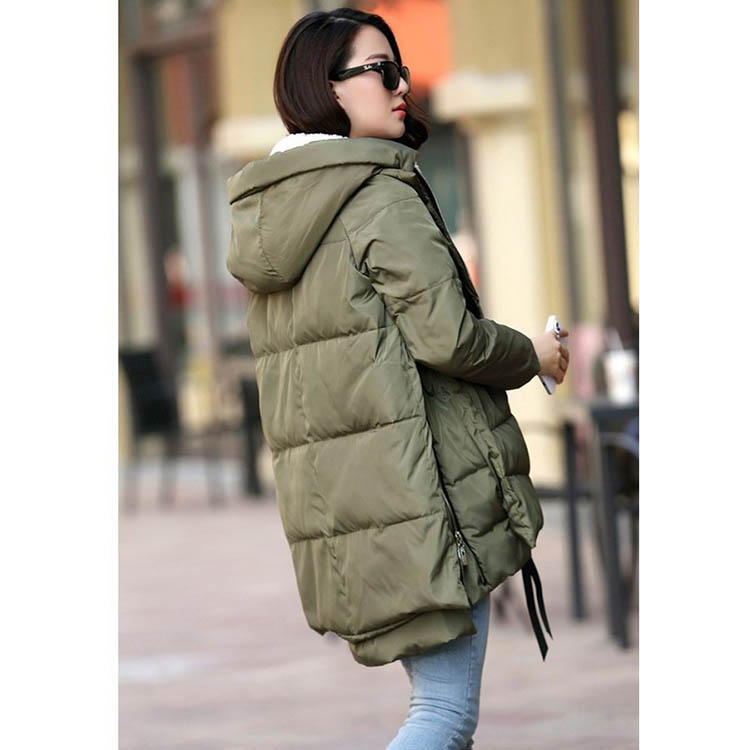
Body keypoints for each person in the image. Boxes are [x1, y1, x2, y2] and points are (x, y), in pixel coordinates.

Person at [226, 7, 569, 749]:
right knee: (443, 714)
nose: (402, 84)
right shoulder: (375, 195)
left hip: (355, 506)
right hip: (424, 497)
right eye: (381, 70)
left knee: (438, 707)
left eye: (399, 67)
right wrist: (535, 356)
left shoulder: (275, 215)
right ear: (329, 88)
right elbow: (450, 337)